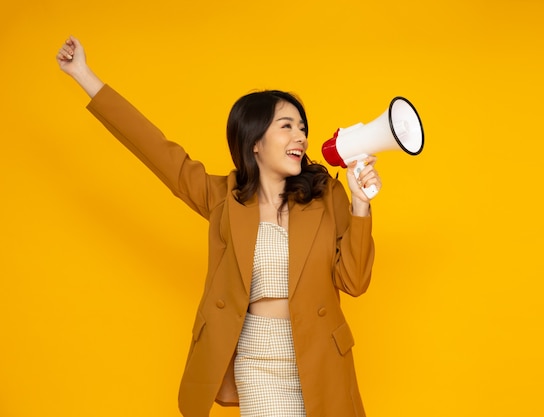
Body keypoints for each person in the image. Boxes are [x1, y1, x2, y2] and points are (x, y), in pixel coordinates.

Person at [56, 36, 381, 417]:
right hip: (257, 362)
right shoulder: (224, 199)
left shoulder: (328, 196)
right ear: (255, 141)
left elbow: (355, 281)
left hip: (319, 359)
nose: (301, 136)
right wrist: (83, 74)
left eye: (302, 127)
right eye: (287, 126)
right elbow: (156, 149)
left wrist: (361, 205)